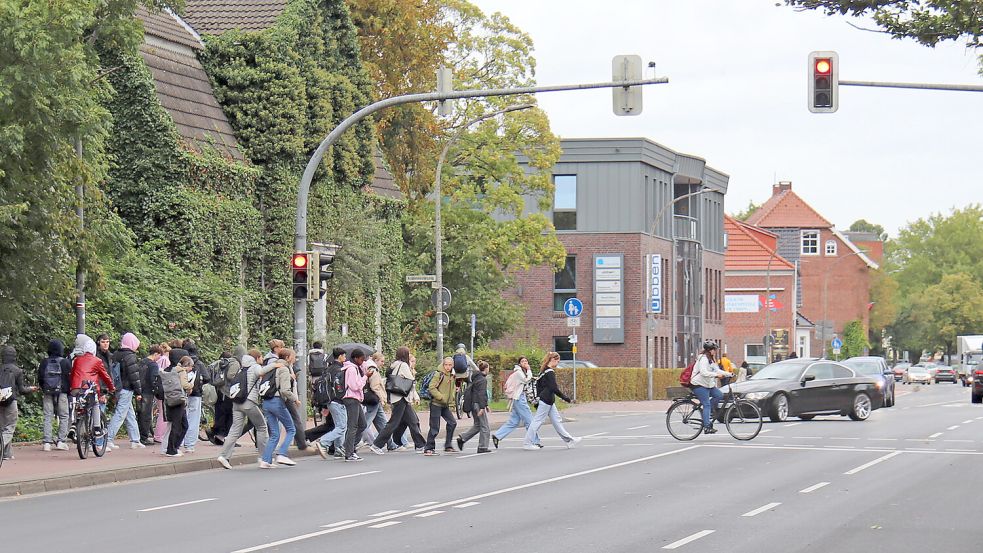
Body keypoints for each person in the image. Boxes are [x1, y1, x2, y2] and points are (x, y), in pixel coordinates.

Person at [217, 350, 269, 469]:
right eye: (261, 358)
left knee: (234, 430)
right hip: (249, 402)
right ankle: (263, 458)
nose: (262, 360)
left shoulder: (242, 368)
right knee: (261, 427)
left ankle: (223, 456)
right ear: (257, 358)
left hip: (237, 402)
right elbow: (261, 372)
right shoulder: (255, 367)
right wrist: (275, 365)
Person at [367, 346, 425, 455]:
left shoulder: (394, 364)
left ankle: (420, 445)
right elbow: (410, 380)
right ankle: (377, 444)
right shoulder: (403, 365)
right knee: (393, 423)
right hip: (401, 397)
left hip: (397, 397)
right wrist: (411, 370)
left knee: (413, 421)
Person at [524, 352, 580, 450]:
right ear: (553, 359)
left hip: (547, 400)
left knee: (556, 421)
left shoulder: (543, 371)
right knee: (537, 421)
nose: (558, 363)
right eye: (557, 361)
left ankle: (569, 441)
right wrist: (566, 398)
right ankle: (527, 443)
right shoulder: (549, 372)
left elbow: (540, 386)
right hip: (546, 400)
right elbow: (554, 388)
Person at [69, 335, 116, 442]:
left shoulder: (77, 360)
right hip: (90, 388)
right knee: (95, 404)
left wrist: (72, 386)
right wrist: (111, 387)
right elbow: (105, 376)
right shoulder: (97, 361)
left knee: (78, 405)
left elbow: (72, 374)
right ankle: (97, 428)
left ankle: (74, 425)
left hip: (77, 387)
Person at [260, 348, 299, 468]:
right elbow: (285, 390)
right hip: (277, 402)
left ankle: (265, 460)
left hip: (266, 402)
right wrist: (295, 399)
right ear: (287, 358)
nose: (294, 359)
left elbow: (260, 373)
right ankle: (282, 454)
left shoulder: (272, 367)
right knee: (291, 429)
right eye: (293, 356)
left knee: (275, 434)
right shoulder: (284, 369)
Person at [106, 332, 145, 450]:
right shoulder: (130, 357)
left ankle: (135, 439)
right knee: (120, 415)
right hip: (126, 388)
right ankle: (107, 438)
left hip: (118, 387)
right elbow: (134, 375)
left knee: (130, 414)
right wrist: (139, 392)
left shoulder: (116, 354)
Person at [1, 345, 38, 460]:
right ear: (14, 357)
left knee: (2, 427)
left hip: (0, 400)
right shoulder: (17, 370)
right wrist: (31, 389)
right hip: (11, 401)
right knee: (10, 427)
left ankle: (6, 454)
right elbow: (21, 390)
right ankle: (1, 447)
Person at [492, 356, 536, 449]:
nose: (525, 362)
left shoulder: (520, 372)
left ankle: (498, 436)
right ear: (519, 364)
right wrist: (529, 370)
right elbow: (527, 380)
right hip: (519, 398)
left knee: (514, 421)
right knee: (529, 420)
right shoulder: (519, 373)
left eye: (526, 361)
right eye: (523, 361)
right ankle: (534, 441)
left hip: (518, 398)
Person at [690, 340, 732, 434]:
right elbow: (704, 372)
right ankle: (707, 426)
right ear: (709, 350)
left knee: (719, 395)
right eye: (714, 349)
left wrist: (729, 374)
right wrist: (716, 375)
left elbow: (717, 370)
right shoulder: (703, 359)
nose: (715, 351)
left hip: (707, 384)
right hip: (698, 384)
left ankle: (706, 412)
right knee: (707, 405)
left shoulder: (711, 359)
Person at [314, 348, 349, 459]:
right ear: (340, 356)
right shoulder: (339, 370)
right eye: (344, 356)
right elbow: (339, 387)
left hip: (329, 401)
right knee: (342, 427)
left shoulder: (328, 369)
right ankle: (324, 442)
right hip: (337, 401)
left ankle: (339, 449)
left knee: (339, 425)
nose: (345, 358)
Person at [38, 339, 72, 451]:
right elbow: (69, 378)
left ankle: (47, 443)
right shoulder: (65, 362)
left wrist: (44, 388)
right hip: (61, 392)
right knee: (64, 416)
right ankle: (61, 441)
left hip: (48, 392)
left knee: (48, 416)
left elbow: (40, 378)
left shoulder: (44, 362)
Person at [424, 357, 458, 456]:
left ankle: (448, 445)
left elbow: (451, 389)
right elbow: (432, 387)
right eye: (446, 364)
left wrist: (451, 401)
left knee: (452, 423)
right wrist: (440, 397)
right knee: (435, 427)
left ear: (453, 365)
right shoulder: (439, 374)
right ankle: (429, 448)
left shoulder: (452, 375)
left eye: (450, 365)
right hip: (436, 403)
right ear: (443, 365)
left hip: (444, 404)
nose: (447, 367)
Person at [181, 339, 210, 453]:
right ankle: (190, 445)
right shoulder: (199, 363)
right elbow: (207, 377)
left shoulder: (182, 362)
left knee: (182, 417)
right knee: (193, 419)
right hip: (196, 393)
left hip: (183, 393)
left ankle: (179, 442)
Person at [457, 360, 491, 453]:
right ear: (486, 368)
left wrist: (486, 405)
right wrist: (482, 407)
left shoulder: (476, 378)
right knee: (485, 426)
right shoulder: (482, 380)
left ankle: (463, 438)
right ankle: (483, 447)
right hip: (478, 404)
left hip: (473, 403)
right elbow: (481, 394)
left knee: (477, 425)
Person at [360, 351, 393, 449]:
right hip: (374, 399)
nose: (383, 363)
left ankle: (391, 444)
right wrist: (382, 398)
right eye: (381, 361)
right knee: (365, 423)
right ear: (375, 360)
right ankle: (352, 442)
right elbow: (375, 386)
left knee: (382, 422)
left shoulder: (368, 367)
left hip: (373, 399)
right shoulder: (373, 369)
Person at [340, 349, 368, 462]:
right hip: (351, 398)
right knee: (353, 426)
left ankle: (349, 447)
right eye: (361, 359)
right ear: (356, 358)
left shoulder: (354, 368)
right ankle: (349, 453)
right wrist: (365, 377)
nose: (363, 362)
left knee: (362, 424)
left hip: (355, 399)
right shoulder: (351, 369)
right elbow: (354, 386)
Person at [164, 356, 193, 457]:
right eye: (191, 366)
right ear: (187, 365)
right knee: (178, 425)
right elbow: (184, 385)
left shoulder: (173, 369)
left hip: (172, 399)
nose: (191, 369)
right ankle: (171, 449)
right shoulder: (182, 372)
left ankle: (175, 447)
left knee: (183, 425)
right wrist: (191, 385)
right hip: (179, 400)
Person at [137, 345, 163, 445]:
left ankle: (139, 435)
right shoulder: (153, 365)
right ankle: (144, 437)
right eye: (158, 356)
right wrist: (157, 391)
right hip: (148, 392)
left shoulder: (142, 361)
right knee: (147, 415)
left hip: (140, 390)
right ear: (155, 354)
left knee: (140, 414)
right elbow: (154, 379)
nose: (158, 359)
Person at [153, 342, 171, 444]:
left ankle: (158, 434)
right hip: (163, 388)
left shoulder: (157, 360)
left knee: (161, 411)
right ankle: (159, 435)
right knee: (163, 413)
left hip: (157, 388)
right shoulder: (164, 360)